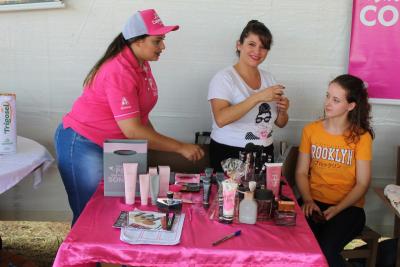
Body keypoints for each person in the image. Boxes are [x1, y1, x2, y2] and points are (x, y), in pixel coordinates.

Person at [54, 9, 204, 225]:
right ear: (137, 41)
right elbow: (133, 130)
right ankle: (82, 258)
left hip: (115, 145)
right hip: (83, 143)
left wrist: (155, 144)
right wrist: (180, 147)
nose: (163, 46)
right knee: (89, 216)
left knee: (120, 209)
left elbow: (140, 117)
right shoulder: (119, 70)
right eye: (158, 41)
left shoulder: (141, 64)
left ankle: (119, 257)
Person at [295, 74, 374, 267]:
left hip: (348, 208)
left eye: (336, 100)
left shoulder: (361, 137)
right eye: (327, 96)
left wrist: (338, 208)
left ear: (351, 106)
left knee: (326, 250)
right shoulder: (311, 130)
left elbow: (363, 183)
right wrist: (307, 200)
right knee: (300, 247)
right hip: (312, 204)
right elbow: (301, 172)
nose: (327, 103)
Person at [207, 20, 289, 172]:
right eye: (251, 44)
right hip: (229, 152)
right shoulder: (224, 78)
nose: (257, 51)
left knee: (260, 195)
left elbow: (280, 123)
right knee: (230, 196)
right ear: (239, 45)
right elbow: (221, 119)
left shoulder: (269, 78)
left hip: (265, 152)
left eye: (263, 47)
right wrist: (258, 97)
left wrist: (283, 111)